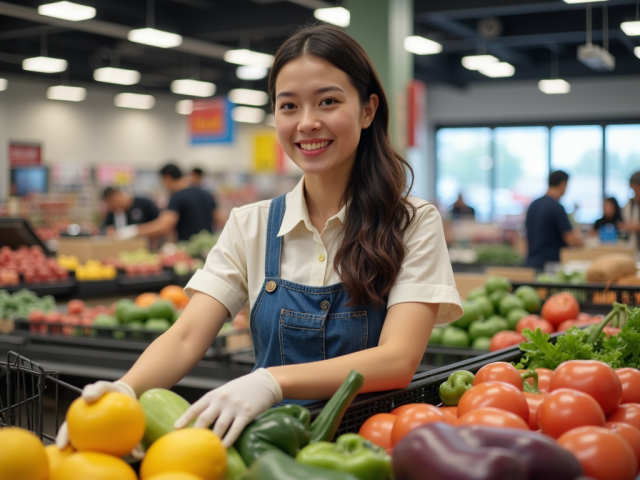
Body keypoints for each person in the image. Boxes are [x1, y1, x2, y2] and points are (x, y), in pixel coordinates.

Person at [56, 25, 462, 453]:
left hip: (371, 452)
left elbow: (397, 361)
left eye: (328, 101)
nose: (307, 123)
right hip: (270, 451)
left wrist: (272, 380)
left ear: (367, 109)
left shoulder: (411, 222)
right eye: (289, 106)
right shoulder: (251, 225)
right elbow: (186, 336)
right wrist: (125, 389)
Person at [114, 164, 217, 242]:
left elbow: (164, 226)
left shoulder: (177, 197)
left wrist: (134, 231)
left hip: (188, 249)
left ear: (167, 178)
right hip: (207, 247)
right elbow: (220, 218)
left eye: (162, 182)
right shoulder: (206, 194)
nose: (164, 186)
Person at [525, 170, 583, 269]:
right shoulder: (557, 207)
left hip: (530, 262)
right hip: (549, 265)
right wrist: (583, 244)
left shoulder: (533, 205)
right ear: (562, 184)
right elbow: (569, 238)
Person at [621, 171, 640, 254]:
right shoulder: (629, 204)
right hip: (633, 247)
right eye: (633, 190)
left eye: (637, 189)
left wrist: (633, 226)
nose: (635, 193)